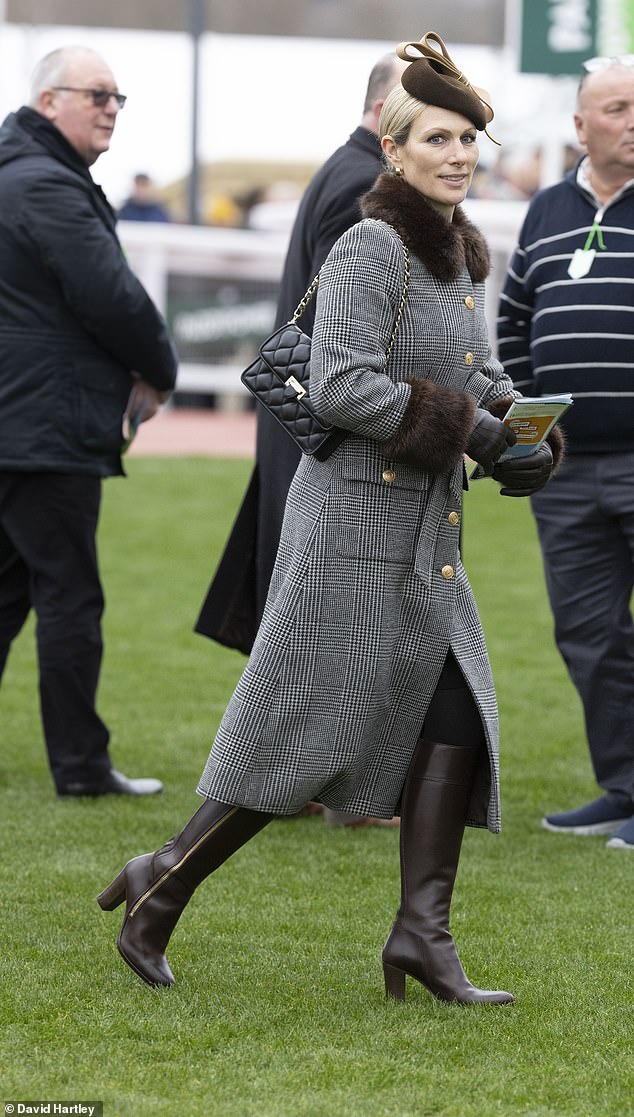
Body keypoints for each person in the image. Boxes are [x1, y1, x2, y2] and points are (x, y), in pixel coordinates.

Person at [98, 31, 562, 1002]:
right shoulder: (370, 241)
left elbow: (475, 374)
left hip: (424, 535)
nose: (458, 154)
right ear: (394, 149)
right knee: (300, 735)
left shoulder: (459, 249)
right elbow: (344, 387)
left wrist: (523, 434)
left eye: (468, 139)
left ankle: (420, 936)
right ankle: (162, 887)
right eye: (437, 138)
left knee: (456, 715)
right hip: (350, 526)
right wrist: (473, 430)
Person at [195, 51, 406, 828]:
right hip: (332, 431)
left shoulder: (342, 168)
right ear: (389, 113)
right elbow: (355, 326)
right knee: (324, 616)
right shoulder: (363, 183)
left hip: (304, 425)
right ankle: (308, 780)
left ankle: (305, 777)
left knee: (305, 615)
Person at [0, 47, 178, 797]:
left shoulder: (26, 175)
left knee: (9, 593)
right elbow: (111, 296)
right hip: (43, 425)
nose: (111, 107)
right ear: (49, 103)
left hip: (22, 420)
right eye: (97, 94)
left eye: (119, 98)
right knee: (70, 595)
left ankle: (81, 760)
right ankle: (80, 767)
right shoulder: (44, 183)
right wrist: (161, 369)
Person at [497, 55, 634, 852]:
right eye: (616, 108)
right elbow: (513, 326)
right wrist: (523, 436)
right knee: (589, 634)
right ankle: (624, 785)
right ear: (581, 126)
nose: (631, 120)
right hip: (569, 468)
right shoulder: (547, 209)